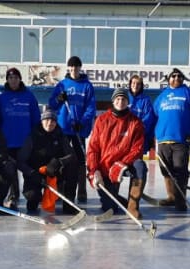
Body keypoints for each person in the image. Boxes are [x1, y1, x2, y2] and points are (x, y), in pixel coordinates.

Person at [87, 88, 146, 219]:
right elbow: (93, 148)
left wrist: (122, 164)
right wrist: (94, 170)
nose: (121, 101)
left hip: (125, 164)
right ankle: (114, 197)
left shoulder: (135, 122)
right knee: (110, 207)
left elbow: (137, 149)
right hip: (105, 166)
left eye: (124, 99)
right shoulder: (101, 120)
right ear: (113, 101)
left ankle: (132, 206)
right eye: (118, 99)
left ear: (127, 102)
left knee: (140, 165)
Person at [48, 56, 96, 203]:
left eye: (76, 66)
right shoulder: (62, 85)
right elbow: (52, 104)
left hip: (78, 130)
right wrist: (58, 99)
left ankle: (81, 191)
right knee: (62, 159)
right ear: (68, 68)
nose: (74, 69)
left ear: (80, 68)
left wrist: (82, 123)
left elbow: (90, 107)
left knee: (80, 161)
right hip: (63, 129)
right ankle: (60, 190)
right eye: (71, 66)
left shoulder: (87, 86)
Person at [17, 109, 78, 215]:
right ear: (42, 121)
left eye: (53, 121)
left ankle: (68, 205)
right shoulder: (33, 137)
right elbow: (20, 161)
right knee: (32, 198)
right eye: (47, 120)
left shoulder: (60, 135)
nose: (50, 123)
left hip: (53, 172)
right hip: (36, 172)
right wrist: (32, 173)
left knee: (72, 167)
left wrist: (59, 162)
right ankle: (36, 197)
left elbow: (72, 155)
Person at [0, 67, 41, 209]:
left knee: (28, 170)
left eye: (16, 78)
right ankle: (13, 197)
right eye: (10, 78)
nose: (13, 80)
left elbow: (36, 118)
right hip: (8, 141)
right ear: (7, 80)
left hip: (25, 141)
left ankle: (32, 196)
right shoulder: (2, 98)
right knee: (11, 171)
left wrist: (36, 136)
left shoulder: (29, 96)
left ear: (20, 79)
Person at [153, 68, 190, 211]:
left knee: (180, 171)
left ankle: (180, 201)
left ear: (183, 79)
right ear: (168, 79)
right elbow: (153, 116)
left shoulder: (189, 93)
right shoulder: (162, 96)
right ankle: (171, 197)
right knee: (166, 171)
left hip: (181, 140)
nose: (176, 78)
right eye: (173, 76)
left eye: (179, 76)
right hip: (163, 140)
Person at [128, 74, 156, 156]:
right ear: (130, 84)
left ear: (141, 86)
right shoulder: (124, 97)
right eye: (133, 83)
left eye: (138, 84)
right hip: (124, 137)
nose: (135, 85)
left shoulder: (146, 100)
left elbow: (149, 118)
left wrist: (137, 128)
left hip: (138, 137)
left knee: (137, 163)